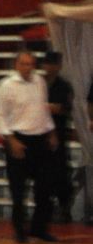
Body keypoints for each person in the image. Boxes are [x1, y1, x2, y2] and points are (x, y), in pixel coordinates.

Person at [0, 50, 58, 243]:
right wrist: (11, 140)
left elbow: (43, 109)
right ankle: (20, 231)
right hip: (18, 139)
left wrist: (51, 132)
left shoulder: (40, 82)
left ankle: (39, 229)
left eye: (30, 64)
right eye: (23, 63)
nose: (27, 67)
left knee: (44, 188)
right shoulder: (7, 85)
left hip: (40, 139)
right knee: (18, 190)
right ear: (16, 64)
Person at [42, 52, 75, 223]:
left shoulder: (63, 86)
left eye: (54, 64)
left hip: (59, 133)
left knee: (61, 171)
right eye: (48, 63)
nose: (50, 67)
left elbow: (67, 108)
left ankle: (64, 207)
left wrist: (57, 109)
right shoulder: (39, 83)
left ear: (59, 66)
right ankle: (45, 209)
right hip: (40, 134)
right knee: (43, 173)